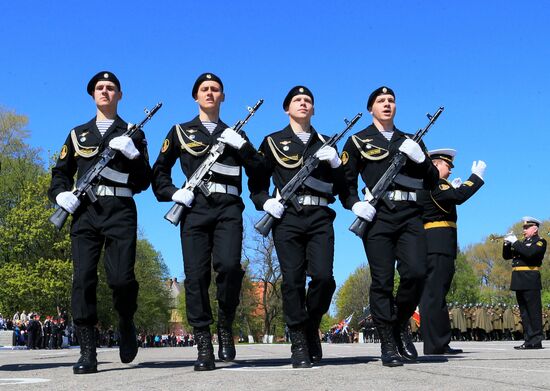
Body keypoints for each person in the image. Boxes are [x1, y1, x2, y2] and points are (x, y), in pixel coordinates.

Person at [152, 72, 263, 371]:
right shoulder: (180, 131)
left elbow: (260, 171)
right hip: (195, 209)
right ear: (196, 96)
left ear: (223, 97)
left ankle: (225, 324)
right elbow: (159, 172)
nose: (210, 93)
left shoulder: (237, 134)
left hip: (228, 208)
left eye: (215, 89)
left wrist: (243, 148)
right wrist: (174, 194)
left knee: (228, 267)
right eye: (205, 89)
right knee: (196, 277)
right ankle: (203, 342)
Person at [48, 71, 151, 374]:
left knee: (120, 278)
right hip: (85, 211)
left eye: (111, 88)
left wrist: (133, 155)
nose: (105, 91)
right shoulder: (77, 134)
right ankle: (87, 350)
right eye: (100, 88)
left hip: (120, 208)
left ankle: (126, 319)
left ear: (120, 95)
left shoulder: (133, 132)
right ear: (93, 94)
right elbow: (61, 173)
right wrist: (60, 196)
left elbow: (144, 180)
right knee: (83, 279)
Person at [341, 86, 439, 367]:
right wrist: (353, 204)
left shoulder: (411, 140)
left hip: (410, 214)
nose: (387, 104)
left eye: (391, 100)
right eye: (381, 101)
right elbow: (346, 183)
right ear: (371, 108)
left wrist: (421, 160)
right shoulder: (358, 141)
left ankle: (399, 323)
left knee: (417, 272)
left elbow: (432, 182)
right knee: (382, 280)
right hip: (378, 216)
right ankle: (387, 342)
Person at [250, 86, 344, 368]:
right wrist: (265, 202)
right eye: (297, 100)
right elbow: (256, 184)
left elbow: (342, 188)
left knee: (324, 278)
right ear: (287, 109)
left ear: (313, 109)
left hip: (319, 215)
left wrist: (337, 164)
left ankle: (310, 323)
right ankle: (299, 342)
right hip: (287, 216)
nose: (303, 103)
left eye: (308, 101)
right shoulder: (272, 141)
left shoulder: (327, 142)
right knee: (292, 281)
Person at [417, 149, 485, 354]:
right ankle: (436, 345)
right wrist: (476, 178)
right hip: (437, 245)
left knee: (436, 294)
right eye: (448, 166)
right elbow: (458, 196)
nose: (449, 170)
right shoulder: (434, 182)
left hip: (438, 244)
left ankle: (438, 343)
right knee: (434, 295)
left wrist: (451, 188)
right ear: (436, 165)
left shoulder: (433, 185)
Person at [503, 216, 547, 349]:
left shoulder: (540, 242)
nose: (524, 230)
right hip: (519, 280)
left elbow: (530, 253)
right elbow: (506, 256)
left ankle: (536, 340)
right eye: (524, 228)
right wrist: (506, 243)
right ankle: (528, 340)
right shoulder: (521, 243)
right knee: (524, 313)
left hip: (530, 279)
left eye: (527, 228)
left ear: (535, 229)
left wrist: (515, 242)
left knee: (533, 311)